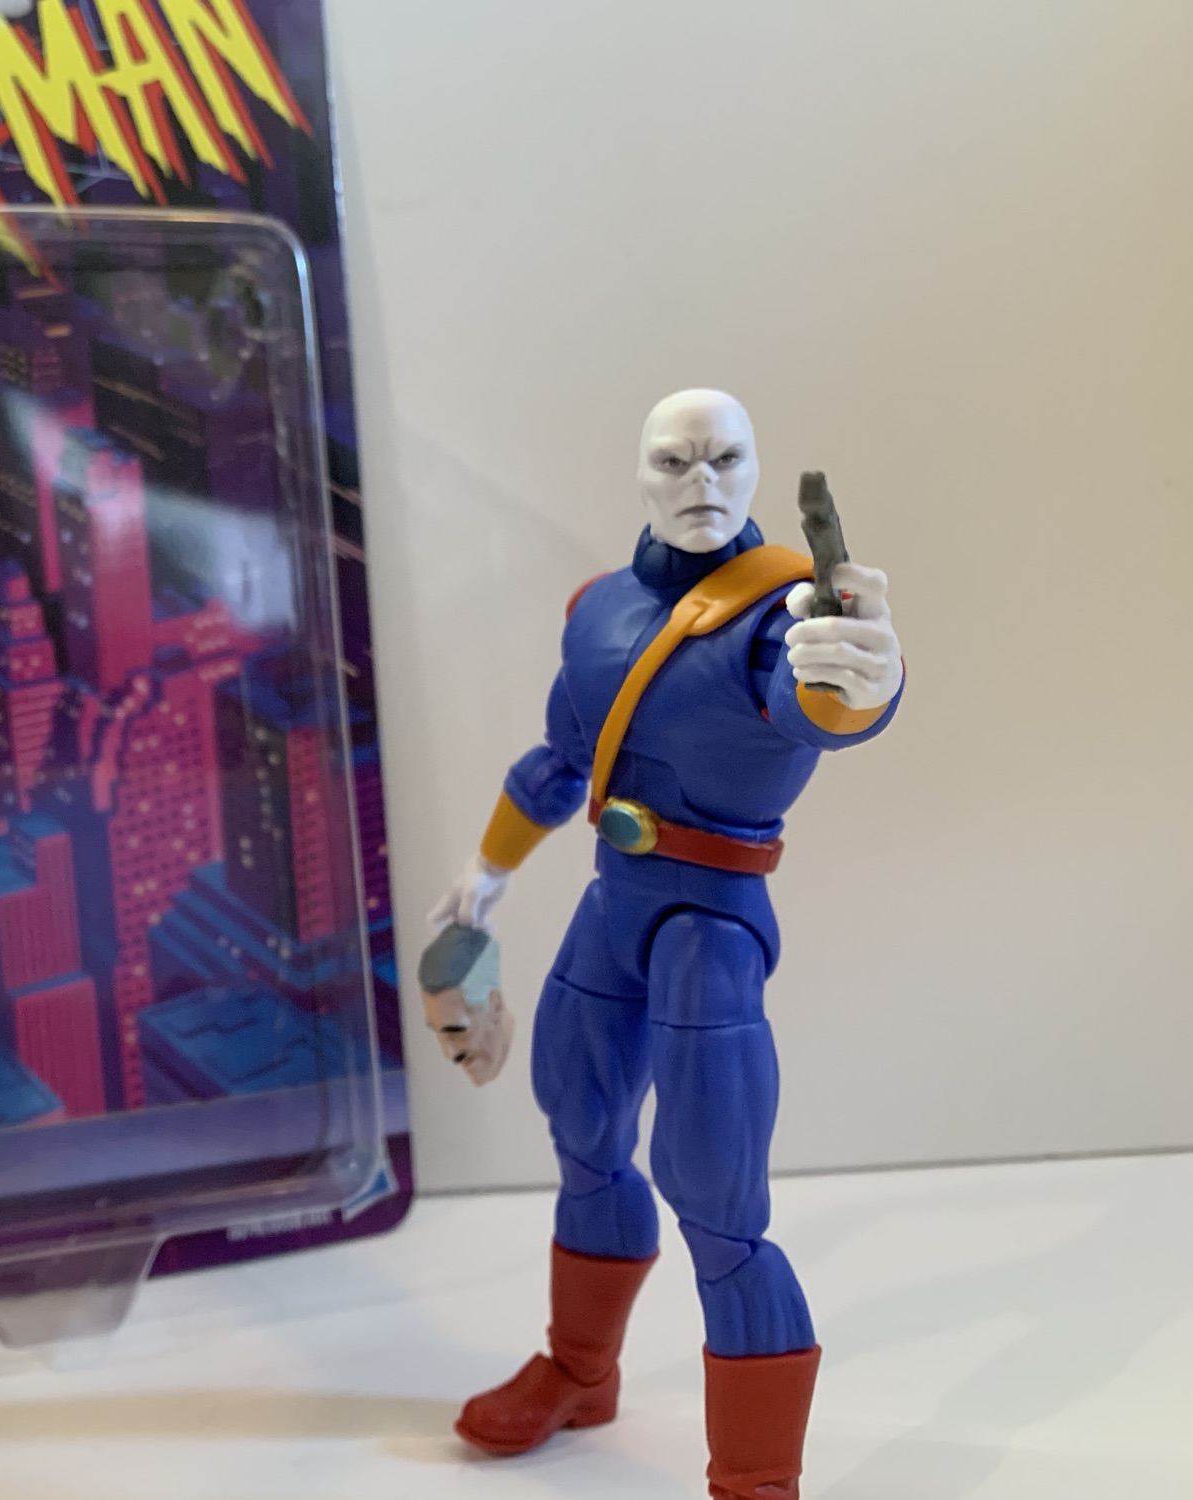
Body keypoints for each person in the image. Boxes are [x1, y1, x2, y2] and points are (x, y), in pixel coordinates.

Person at [430, 390, 904, 1499]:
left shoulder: (781, 616)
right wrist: (484, 876)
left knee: (717, 1198)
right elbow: (557, 763)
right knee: (580, 1122)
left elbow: (819, 701)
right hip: (615, 899)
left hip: (711, 925)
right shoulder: (597, 608)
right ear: (642, 474)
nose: (702, 482)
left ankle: (755, 1477)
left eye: (724, 458)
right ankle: (579, 1370)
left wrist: (866, 676)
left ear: (754, 468)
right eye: (675, 461)